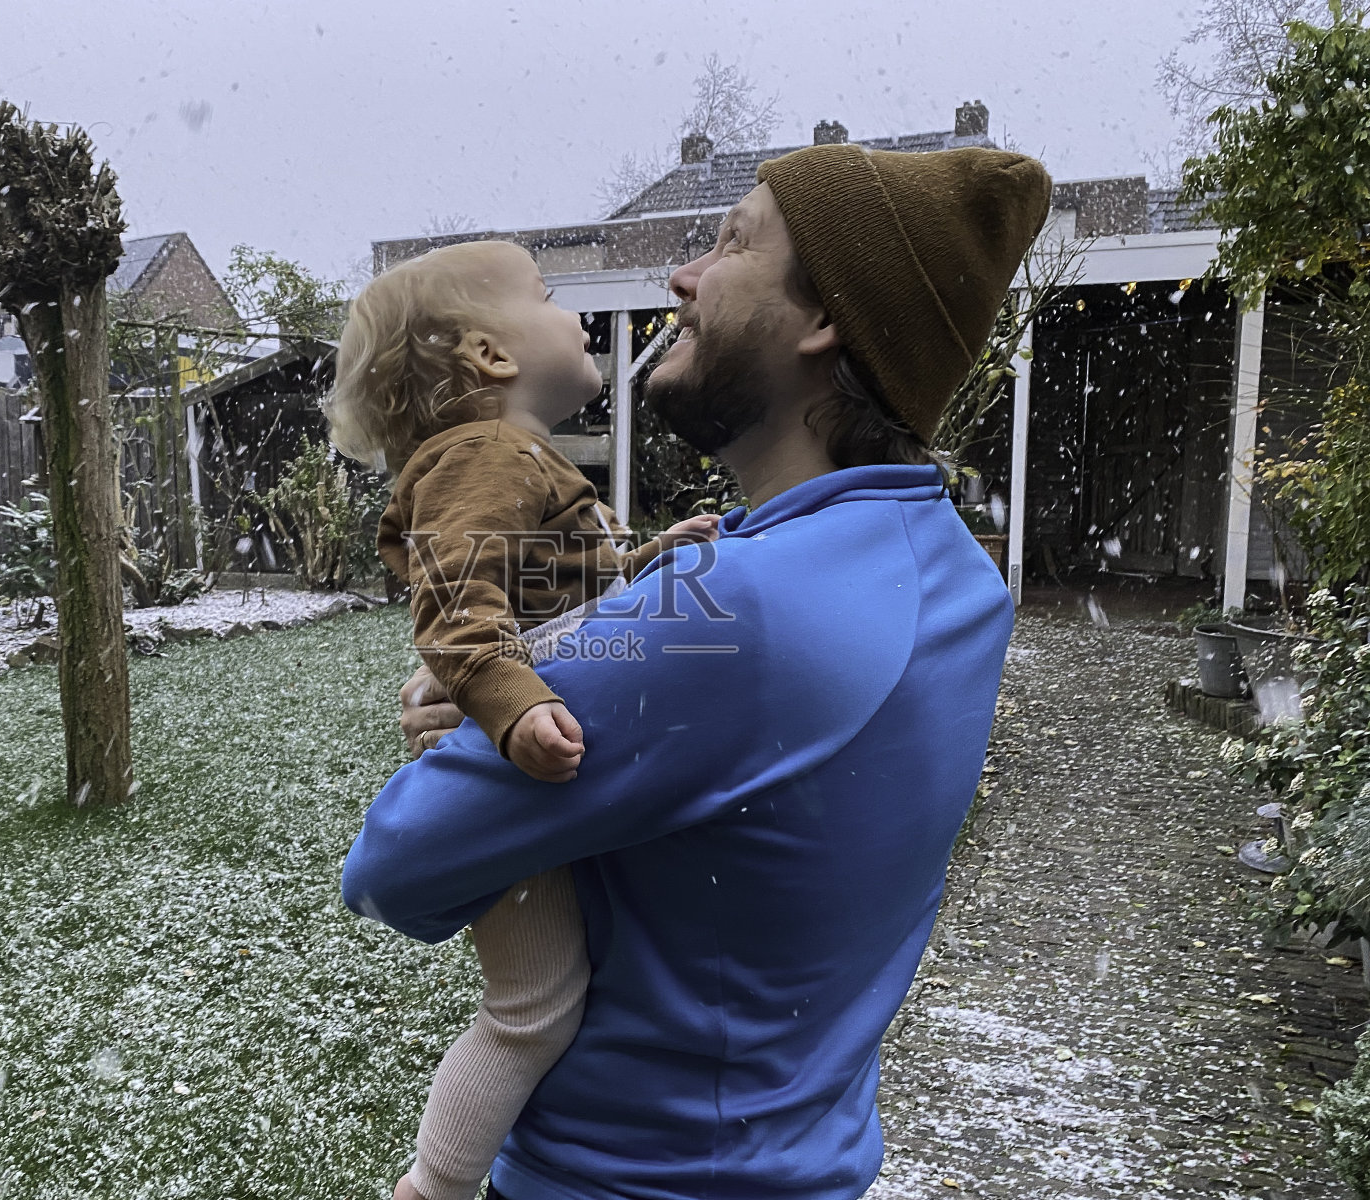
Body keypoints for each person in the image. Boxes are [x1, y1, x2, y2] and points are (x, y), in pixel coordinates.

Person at [344, 142, 1052, 1200]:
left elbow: (397, 866)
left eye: (730, 243)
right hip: (801, 1161)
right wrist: (571, 645)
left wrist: (472, 709)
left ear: (820, 324)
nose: (682, 276)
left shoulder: (731, 609)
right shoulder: (954, 574)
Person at [325, 239, 718, 1200]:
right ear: (491, 357)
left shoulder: (509, 458)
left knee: (545, 998)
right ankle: (440, 1184)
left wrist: (652, 559)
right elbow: (458, 612)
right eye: (548, 297)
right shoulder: (486, 456)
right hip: (518, 757)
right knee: (531, 1011)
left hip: (521, 747)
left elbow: (563, 594)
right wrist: (513, 711)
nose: (571, 312)